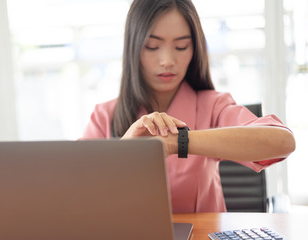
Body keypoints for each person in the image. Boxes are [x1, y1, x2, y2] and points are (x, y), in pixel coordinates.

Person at [82, 0, 295, 213]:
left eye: (181, 46)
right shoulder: (104, 116)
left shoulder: (213, 106)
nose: (167, 60)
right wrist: (124, 153)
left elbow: (282, 141)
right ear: (133, 48)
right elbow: (75, 195)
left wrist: (177, 142)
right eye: (152, 46)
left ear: (195, 48)